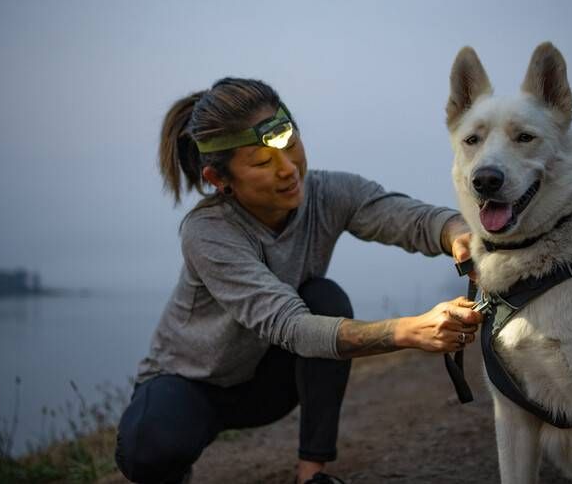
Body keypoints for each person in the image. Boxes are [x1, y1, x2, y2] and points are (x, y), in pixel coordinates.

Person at [115, 77, 481, 484]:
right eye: (261, 163)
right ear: (219, 179)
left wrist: (458, 233)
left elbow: (408, 218)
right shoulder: (208, 232)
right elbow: (290, 324)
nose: (288, 170)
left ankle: (312, 476)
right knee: (148, 449)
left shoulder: (327, 193)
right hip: (189, 384)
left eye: (290, 144)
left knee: (325, 298)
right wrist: (407, 331)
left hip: (267, 384)